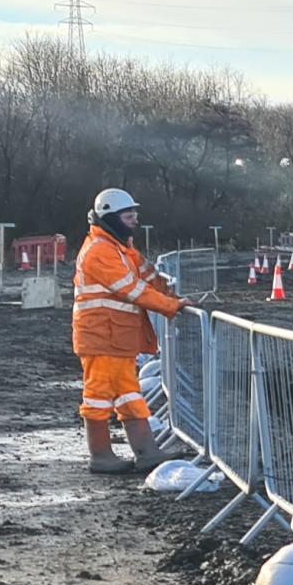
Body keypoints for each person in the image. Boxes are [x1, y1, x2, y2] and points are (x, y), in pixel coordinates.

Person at [74, 188, 192, 474]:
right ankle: (101, 455)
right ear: (111, 217)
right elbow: (133, 290)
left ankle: (146, 451)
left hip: (116, 338)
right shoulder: (101, 251)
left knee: (129, 395)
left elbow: (148, 274)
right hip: (101, 338)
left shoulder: (120, 248)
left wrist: (170, 293)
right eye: (129, 215)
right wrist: (171, 306)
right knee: (98, 396)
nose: (135, 219)